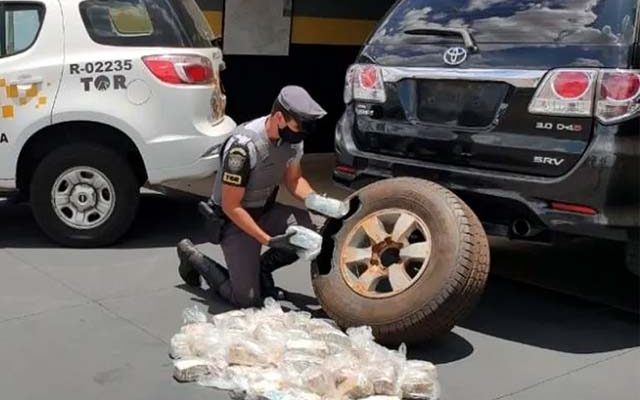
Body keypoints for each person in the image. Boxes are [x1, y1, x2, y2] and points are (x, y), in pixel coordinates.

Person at [177, 86, 343, 308]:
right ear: (279, 117)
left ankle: (262, 268)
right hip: (235, 221)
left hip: (264, 211)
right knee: (246, 299)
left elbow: (293, 180)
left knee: (316, 231)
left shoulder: (293, 141)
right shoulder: (243, 148)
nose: (302, 133)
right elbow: (231, 206)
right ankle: (193, 257)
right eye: (298, 127)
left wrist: (314, 200)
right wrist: (268, 240)